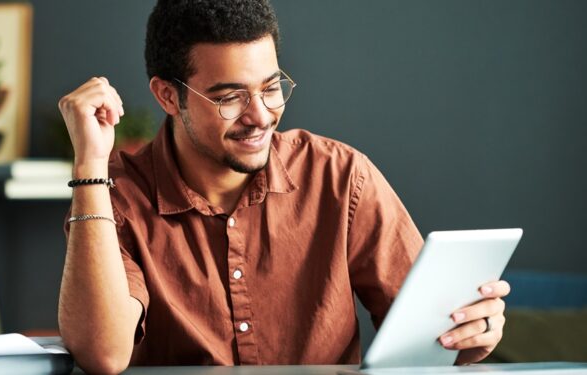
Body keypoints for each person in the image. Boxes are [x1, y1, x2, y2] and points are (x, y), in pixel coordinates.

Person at [57, 1, 510, 373]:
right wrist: (90, 163)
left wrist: (471, 334)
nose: (261, 116)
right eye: (230, 97)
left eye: (271, 88)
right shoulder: (114, 194)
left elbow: (432, 338)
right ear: (168, 96)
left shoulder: (340, 176)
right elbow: (103, 354)